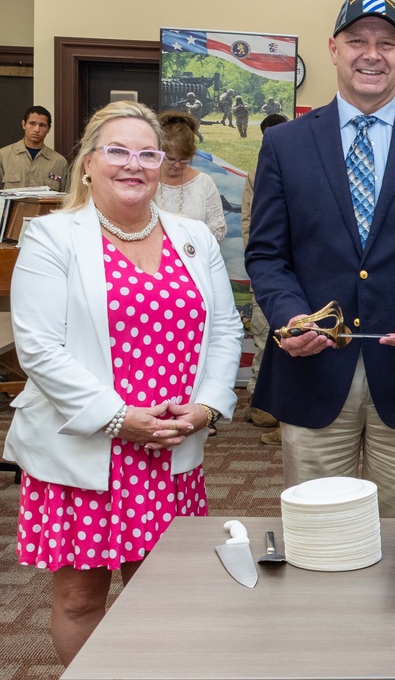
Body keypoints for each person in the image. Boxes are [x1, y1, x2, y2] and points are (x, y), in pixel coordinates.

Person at [2, 100, 242, 664]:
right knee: (81, 599)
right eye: (117, 151)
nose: (133, 165)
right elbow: (38, 348)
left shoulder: (193, 238)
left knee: (164, 594)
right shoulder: (52, 236)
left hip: (169, 446)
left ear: (163, 163)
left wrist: (206, 408)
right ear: (88, 162)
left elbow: (227, 332)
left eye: (147, 153)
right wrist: (120, 419)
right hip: (86, 449)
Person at [244, 0, 395, 518]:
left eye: (386, 43)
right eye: (357, 41)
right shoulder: (286, 144)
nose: (371, 54)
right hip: (313, 368)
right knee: (317, 531)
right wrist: (289, 317)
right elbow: (266, 255)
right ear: (333, 49)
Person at [240, 112, 288, 443]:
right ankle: (258, 401)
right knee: (262, 331)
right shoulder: (259, 171)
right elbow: (249, 221)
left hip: (297, 272)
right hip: (269, 268)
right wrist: (262, 263)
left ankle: (277, 400)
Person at [156, 111, 227, 244]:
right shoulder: (147, 179)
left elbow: (218, 230)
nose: (177, 165)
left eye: (184, 160)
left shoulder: (204, 183)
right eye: (170, 159)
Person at [0, 106, 68, 192]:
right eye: (32, 124)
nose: (36, 129)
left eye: (42, 125)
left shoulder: (59, 162)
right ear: (24, 124)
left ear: (49, 129)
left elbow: (67, 198)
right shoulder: (3, 156)